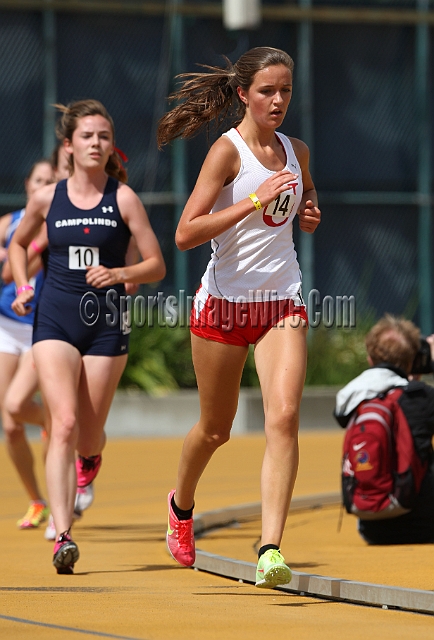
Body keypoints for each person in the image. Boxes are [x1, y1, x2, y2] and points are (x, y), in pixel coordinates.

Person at [157, 47, 321, 588]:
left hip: (282, 302)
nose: (279, 101)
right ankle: (181, 507)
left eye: (286, 92)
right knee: (215, 429)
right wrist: (253, 201)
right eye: (268, 91)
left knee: (284, 416)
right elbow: (185, 233)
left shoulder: (295, 150)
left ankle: (270, 548)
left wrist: (311, 213)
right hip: (224, 306)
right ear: (243, 94)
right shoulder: (227, 154)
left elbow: (303, 203)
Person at [9, 99, 166, 574]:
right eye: (86, 136)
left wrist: (119, 272)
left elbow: (156, 265)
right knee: (63, 422)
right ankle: (62, 534)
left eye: (102, 136)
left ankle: (90, 459)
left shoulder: (123, 199)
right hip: (54, 320)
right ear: (69, 146)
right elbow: (19, 243)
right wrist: (21, 284)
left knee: (88, 432)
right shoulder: (47, 198)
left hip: (105, 324)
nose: (95, 143)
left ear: (109, 144)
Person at [334, 315, 434, 544]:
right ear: (413, 359)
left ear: (370, 359)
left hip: (372, 530)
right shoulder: (421, 397)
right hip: (425, 526)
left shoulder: (354, 399)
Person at [0, 159, 53, 530]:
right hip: (7, 325)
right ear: (28, 184)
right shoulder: (8, 223)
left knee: (16, 404)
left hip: (41, 328)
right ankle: (38, 501)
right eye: (39, 180)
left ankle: (56, 421)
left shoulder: (58, 223)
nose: (44, 186)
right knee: (11, 423)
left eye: (51, 180)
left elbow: (10, 268)